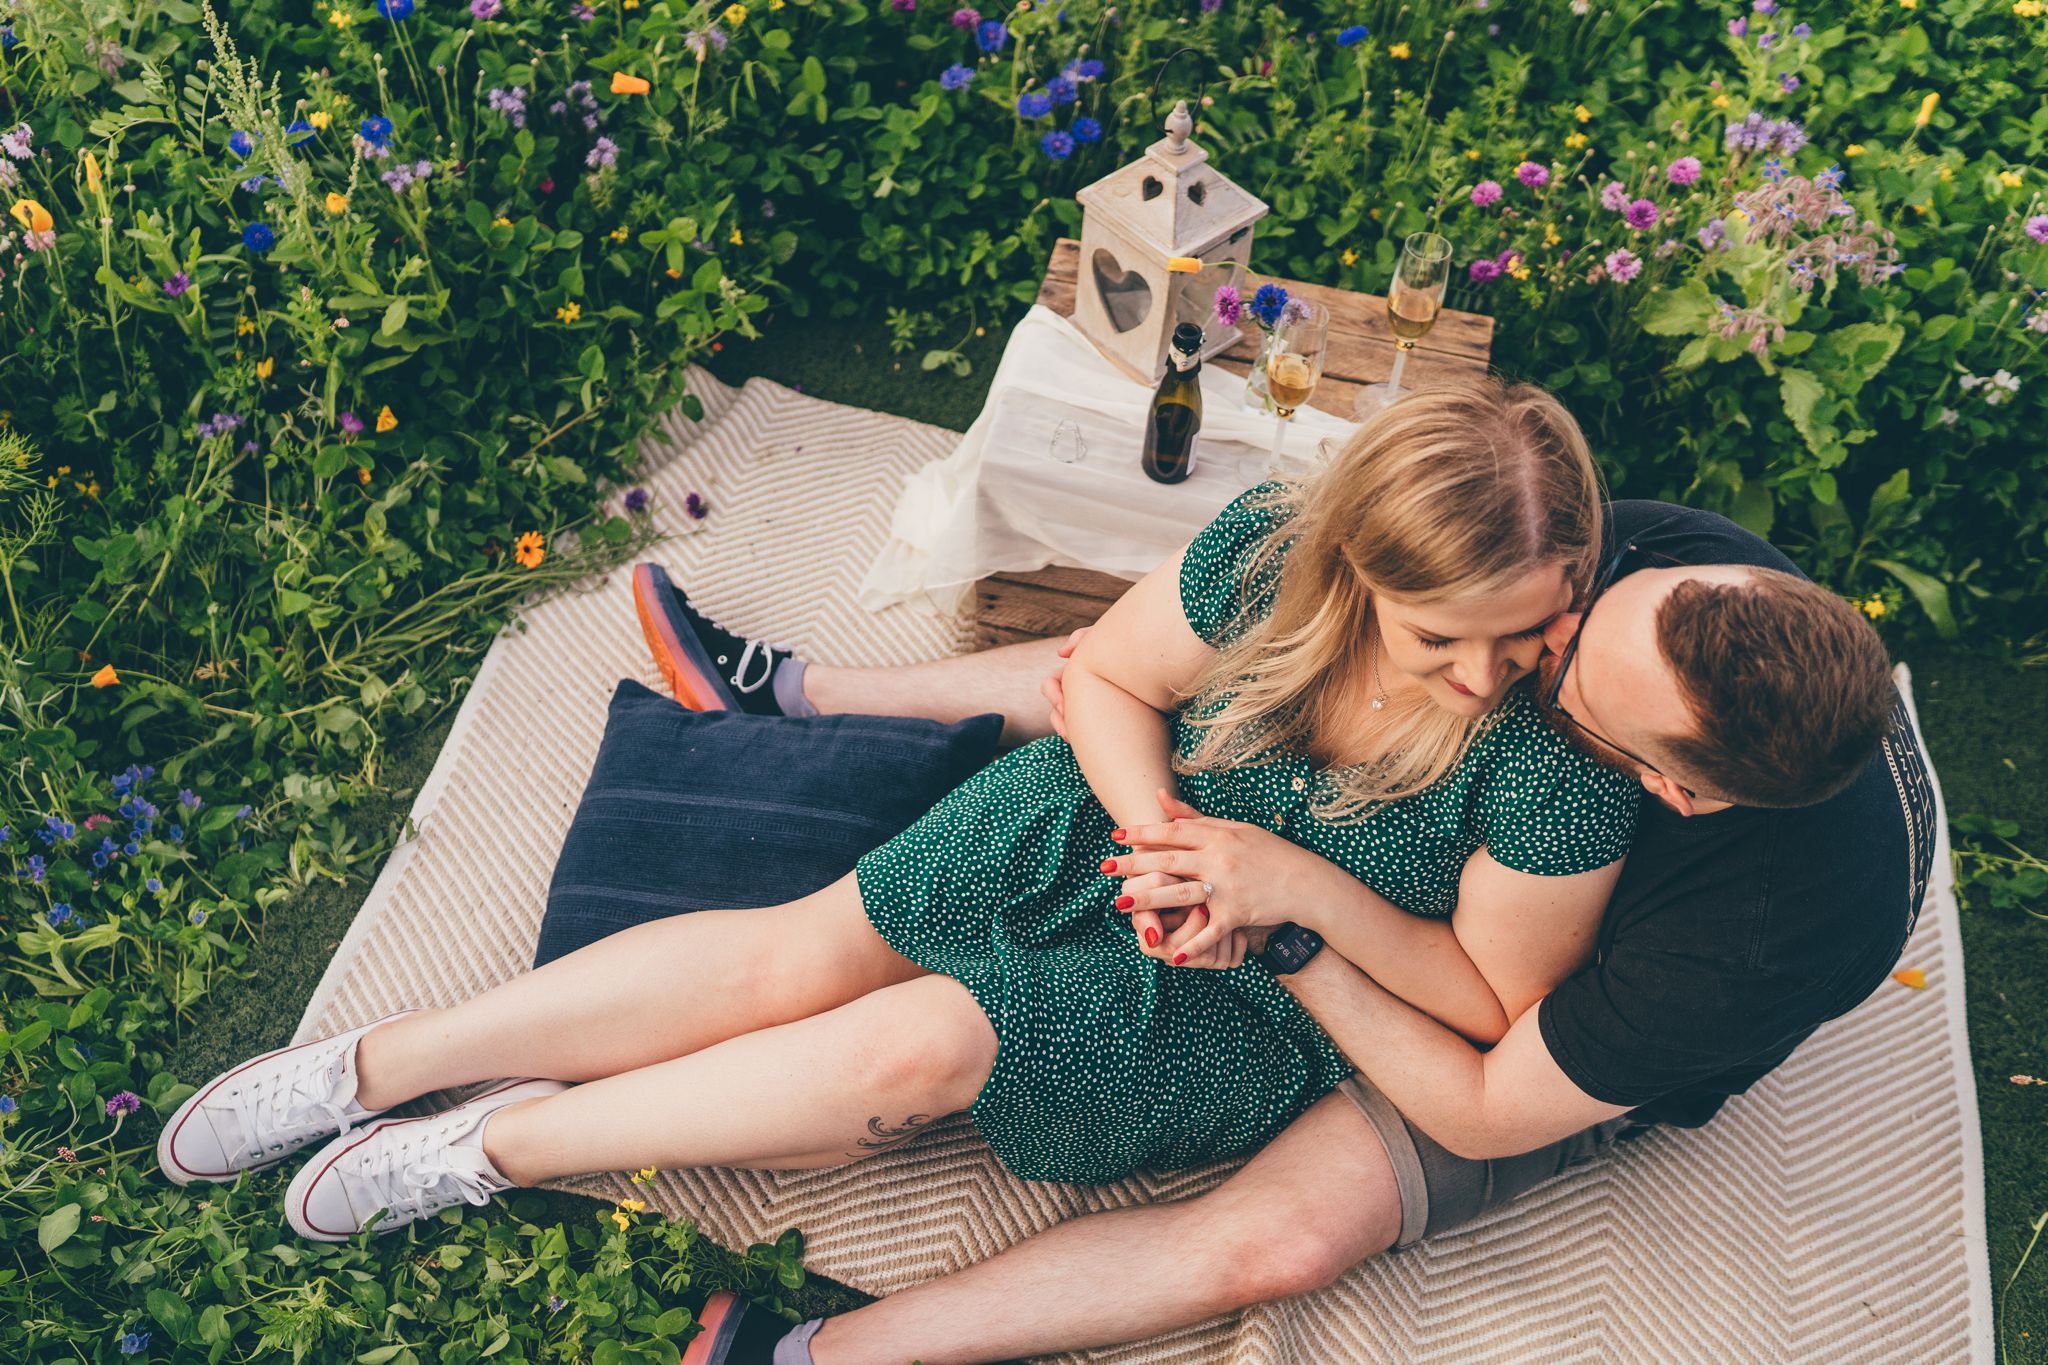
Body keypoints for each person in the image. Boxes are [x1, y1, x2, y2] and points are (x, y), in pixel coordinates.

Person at [159, 380, 1641, 1282]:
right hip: (1105, 832)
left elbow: (1486, 998)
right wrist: (1163, 832)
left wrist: (1280, 890)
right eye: (1449, 635)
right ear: (1362, 567)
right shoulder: (1268, 556)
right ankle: (372, 1063)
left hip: (1257, 994)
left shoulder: (1558, 764)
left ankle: (492, 1144)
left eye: (1526, 632)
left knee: (916, 1045)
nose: (1485, 673)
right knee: (795, 952)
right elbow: (1105, 681)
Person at [630, 505, 1927, 1365]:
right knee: (1195, 663)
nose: (1549, 637)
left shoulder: (1764, 940)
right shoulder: (1658, 578)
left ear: (1677, 790)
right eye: (1592, 605)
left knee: (1284, 1241)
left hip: (1522, 1027)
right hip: (1459, 863)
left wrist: (1293, 923)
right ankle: (798, 695)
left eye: (1574, 666)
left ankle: (820, 1353)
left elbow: (1483, 1092)